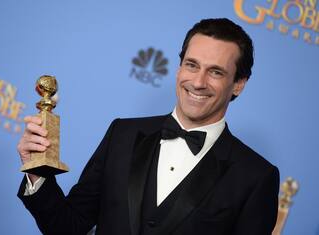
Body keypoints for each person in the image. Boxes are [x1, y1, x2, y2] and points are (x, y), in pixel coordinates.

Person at [17, 18, 279, 235]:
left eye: (216, 72)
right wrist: (37, 171)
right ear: (179, 69)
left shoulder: (256, 177)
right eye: (191, 65)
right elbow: (68, 227)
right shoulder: (122, 135)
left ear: (239, 84)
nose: (198, 82)